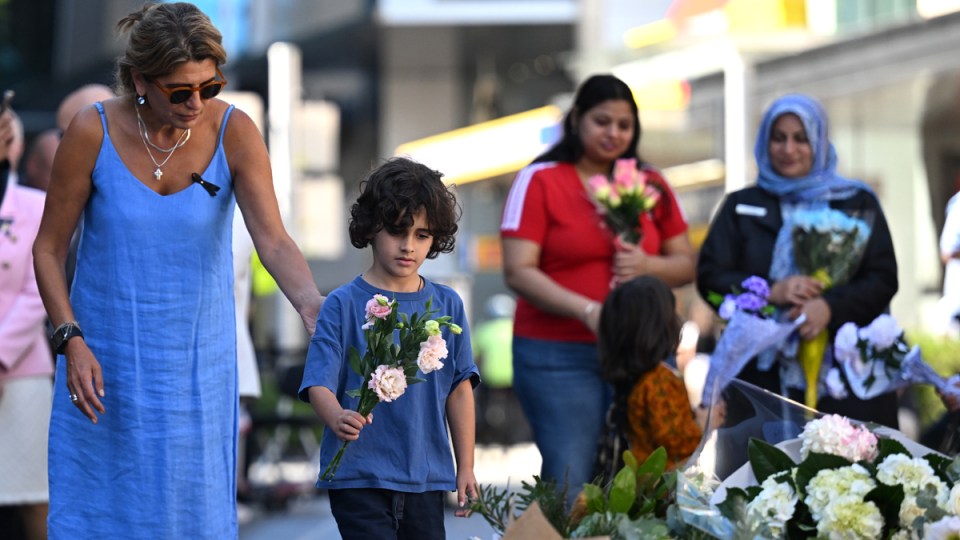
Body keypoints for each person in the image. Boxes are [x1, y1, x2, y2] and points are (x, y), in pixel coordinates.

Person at [31, 3, 323, 537]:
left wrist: (310, 303)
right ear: (140, 80)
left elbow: (274, 240)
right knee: (100, 513)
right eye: (180, 91)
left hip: (196, 367)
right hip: (102, 362)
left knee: (190, 517)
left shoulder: (235, 130)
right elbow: (47, 249)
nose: (197, 103)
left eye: (209, 88)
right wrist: (70, 339)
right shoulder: (91, 131)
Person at [500, 73, 695, 500]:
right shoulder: (541, 179)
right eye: (601, 121)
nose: (614, 133)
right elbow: (518, 270)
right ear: (577, 121)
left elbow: (687, 265)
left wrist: (649, 264)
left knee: (655, 478)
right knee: (572, 478)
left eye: (624, 125)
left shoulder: (651, 182)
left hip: (643, 352)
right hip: (559, 353)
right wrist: (588, 311)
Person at [299, 157, 479, 540]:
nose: (408, 246)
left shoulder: (448, 307)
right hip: (358, 477)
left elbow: (459, 390)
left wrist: (466, 466)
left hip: (426, 478)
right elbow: (318, 381)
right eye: (397, 230)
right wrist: (335, 416)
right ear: (371, 226)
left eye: (422, 235)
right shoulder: (342, 304)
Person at [696, 93, 899, 428]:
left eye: (801, 138)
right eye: (778, 138)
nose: (788, 149)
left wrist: (829, 307)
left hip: (844, 374)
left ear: (819, 142)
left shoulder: (855, 202)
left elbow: (883, 278)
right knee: (763, 473)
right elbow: (710, 275)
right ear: (765, 142)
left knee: (844, 470)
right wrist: (771, 291)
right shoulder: (740, 206)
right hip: (762, 375)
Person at [0, 109, 52, 540]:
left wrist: (0, 358)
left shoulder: (36, 206)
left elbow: (40, 290)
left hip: (21, 370)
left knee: (34, 494)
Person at [598, 276, 703, 469]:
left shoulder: (630, 379)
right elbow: (680, 443)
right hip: (661, 488)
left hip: (637, 480)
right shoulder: (660, 382)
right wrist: (706, 422)